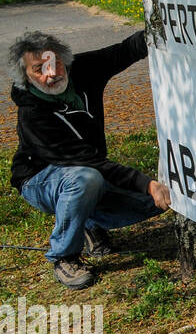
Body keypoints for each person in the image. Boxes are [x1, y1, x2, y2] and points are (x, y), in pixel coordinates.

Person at [7, 29, 171, 290]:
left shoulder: (83, 68)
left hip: (87, 172)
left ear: (64, 59)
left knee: (166, 201)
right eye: (39, 68)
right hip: (39, 180)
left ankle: (87, 222)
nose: (51, 73)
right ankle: (64, 257)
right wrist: (147, 183)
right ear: (25, 75)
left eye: (55, 62)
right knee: (86, 179)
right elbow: (88, 163)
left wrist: (160, 27)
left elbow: (125, 50)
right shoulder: (32, 115)